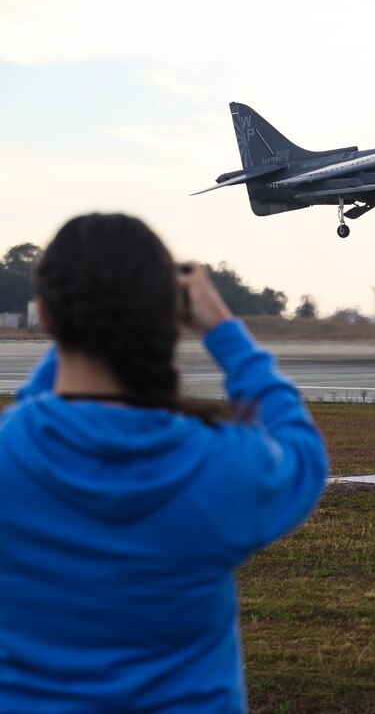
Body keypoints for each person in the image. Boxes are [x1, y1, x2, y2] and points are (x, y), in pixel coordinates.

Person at [0, 213, 328, 712]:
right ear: (167, 317)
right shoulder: (224, 464)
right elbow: (302, 454)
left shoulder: (11, 453)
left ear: (44, 316)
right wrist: (226, 334)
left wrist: (81, 324)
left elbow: (34, 415)